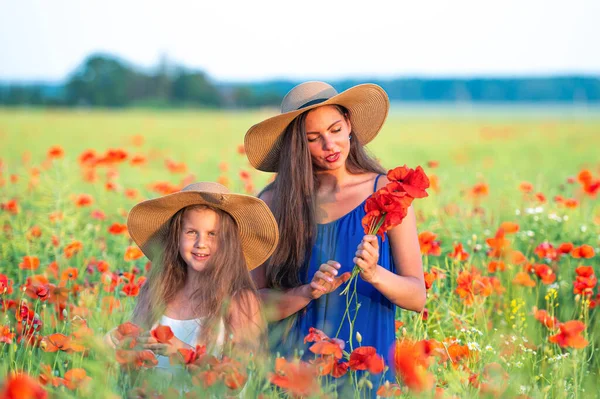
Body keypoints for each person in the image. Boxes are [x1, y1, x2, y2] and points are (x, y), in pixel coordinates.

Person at [244, 82, 426, 371]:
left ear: (349, 124)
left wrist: (374, 273)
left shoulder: (389, 194)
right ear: (296, 144)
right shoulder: (272, 202)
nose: (330, 145)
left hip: (366, 370)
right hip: (291, 371)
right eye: (313, 138)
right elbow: (251, 305)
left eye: (336, 130)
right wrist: (306, 292)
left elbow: (417, 297)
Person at [105, 182, 279, 373]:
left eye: (213, 234)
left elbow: (239, 377)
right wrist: (121, 343)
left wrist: (182, 352)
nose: (201, 243)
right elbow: (137, 361)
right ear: (176, 236)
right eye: (191, 232)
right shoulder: (158, 290)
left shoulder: (240, 301)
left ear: (229, 243)